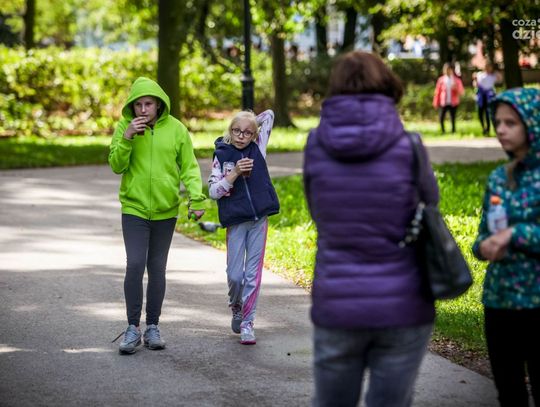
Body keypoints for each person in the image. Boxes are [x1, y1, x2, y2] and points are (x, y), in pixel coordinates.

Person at [304, 51, 439, 407]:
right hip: (404, 302)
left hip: (338, 302)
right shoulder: (410, 145)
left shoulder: (316, 144)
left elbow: (317, 211)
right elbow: (430, 205)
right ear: (387, 84)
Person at [109, 77, 206, 354]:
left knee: (157, 268)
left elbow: (188, 167)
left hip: (166, 211)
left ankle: (152, 326)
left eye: (148, 104)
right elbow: (116, 165)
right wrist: (127, 137)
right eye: (138, 104)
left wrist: (196, 197)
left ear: (159, 105)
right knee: (135, 264)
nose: (143, 110)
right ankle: (132, 328)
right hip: (134, 208)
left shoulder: (176, 129)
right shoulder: (124, 127)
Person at [472, 87, 540, 407]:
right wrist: (484, 246)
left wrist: (515, 234)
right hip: (499, 301)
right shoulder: (499, 178)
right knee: (509, 393)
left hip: (536, 301)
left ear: (533, 125)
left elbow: (514, 233)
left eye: (510, 123)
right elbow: (483, 235)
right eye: (497, 122)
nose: (500, 129)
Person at [208, 110, 279, 345]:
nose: (241, 136)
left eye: (247, 133)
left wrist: (250, 123)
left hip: (259, 220)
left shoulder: (258, 147)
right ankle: (236, 305)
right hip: (236, 222)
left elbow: (269, 115)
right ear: (230, 131)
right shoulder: (221, 154)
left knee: (252, 275)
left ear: (254, 135)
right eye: (237, 131)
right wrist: (235, 173)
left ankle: (248, 323)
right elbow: (213, 192)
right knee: (235, 275)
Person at [433, 63, 464, 133]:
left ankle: (453, 131)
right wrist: (436, 102)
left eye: (448, 69)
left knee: (453, 117)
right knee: (441, 117)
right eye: (445, 69)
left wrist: (455, 88)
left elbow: (461, 92)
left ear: (451, 70)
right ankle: (443, 131)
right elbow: (437, 92)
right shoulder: (441, 80)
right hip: (443, 102)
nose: (447, 71)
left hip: (453, 102)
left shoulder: (456, 80)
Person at [472, 62, 501, 135]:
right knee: (480, 113)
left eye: (489, 67)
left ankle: (488, 129)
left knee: (488, 113)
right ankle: (483, 128)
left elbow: (500, 79)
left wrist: (496, 71)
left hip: (489, 96)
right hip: (481, 96)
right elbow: (475, 84)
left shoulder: (493, 76)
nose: (488, 68)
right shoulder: (480, 74)